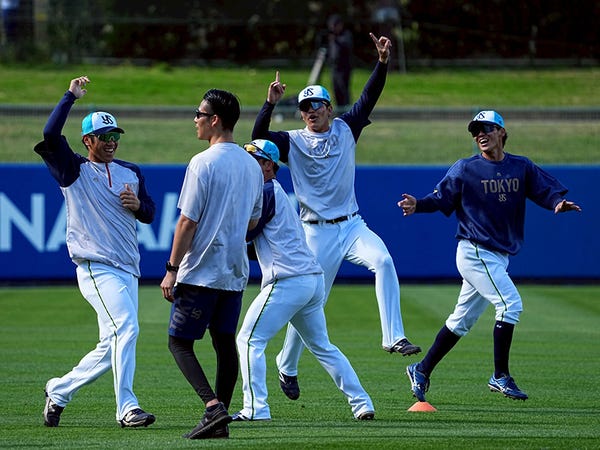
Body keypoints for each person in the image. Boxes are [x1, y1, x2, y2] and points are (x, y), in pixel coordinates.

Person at [252, 33, 420, 402]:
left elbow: (369, 97)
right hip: (315, 233)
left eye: (317, 105)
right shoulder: (292, 140)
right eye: (305, 107)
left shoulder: (346, 127)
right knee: (309, 302)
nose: (310, 111)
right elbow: (258, 138)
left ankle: (393, 337)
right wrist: (269, 103)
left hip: (352, 224)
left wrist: (382, 62)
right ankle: (286, 364)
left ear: (330, 108)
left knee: (383, 260)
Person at [399, 110, 582, 403]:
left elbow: (544, 189)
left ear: (501, 132)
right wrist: (418, 204)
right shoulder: (466, 168)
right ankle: (500, 375)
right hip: (474, 250)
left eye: (486, 128)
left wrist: (557, 202)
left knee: (461, 321)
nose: (480, 135)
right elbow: (441, 198)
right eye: (475, 131)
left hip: (498, 255)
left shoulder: (520, 166)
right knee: (510, 304)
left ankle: (421, 369)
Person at [35, 76, 156, 428]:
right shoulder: (73, 170)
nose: (111, 142)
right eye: (104, 136)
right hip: (96, 266)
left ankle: (59, 390)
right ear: (87, 140)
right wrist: (69, 97)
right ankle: (127, 408)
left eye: (115, 135)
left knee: (111, 344)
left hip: (128, 268)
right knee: (127, 328)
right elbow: (50, 133)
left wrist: (138, 206)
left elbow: (150, 213)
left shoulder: (130, 172)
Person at [234, 139, 375, 422]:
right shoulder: (274, 192)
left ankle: (255, 409)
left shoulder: (265, 191)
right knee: (323, 346)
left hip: (289, 280)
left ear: (269, 165)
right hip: (311, 280)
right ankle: (362, 403)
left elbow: (245, 233)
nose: (248, 165)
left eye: (254, 160)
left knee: (249, 339)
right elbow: (256, 245)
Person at [160, 89, 263, 440]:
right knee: (224, 343)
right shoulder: (251, 165)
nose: (195, 120)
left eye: (199, 114)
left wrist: (172, 268)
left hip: (202, 269)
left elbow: (187, 222)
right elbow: (253, 222)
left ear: (215, 120)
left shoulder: (202, 162)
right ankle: (220, 421)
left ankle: (212, 407)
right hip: (234, 272)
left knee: (179, 342)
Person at [326, 14, 353, 108]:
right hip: (334, 67)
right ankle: (339, 109)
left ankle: (346, 110)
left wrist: (336, 39)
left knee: (343, 90)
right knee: (336, 90)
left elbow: (346, 45)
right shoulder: (332, 37)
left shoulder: (346, 35)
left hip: (343, 68)